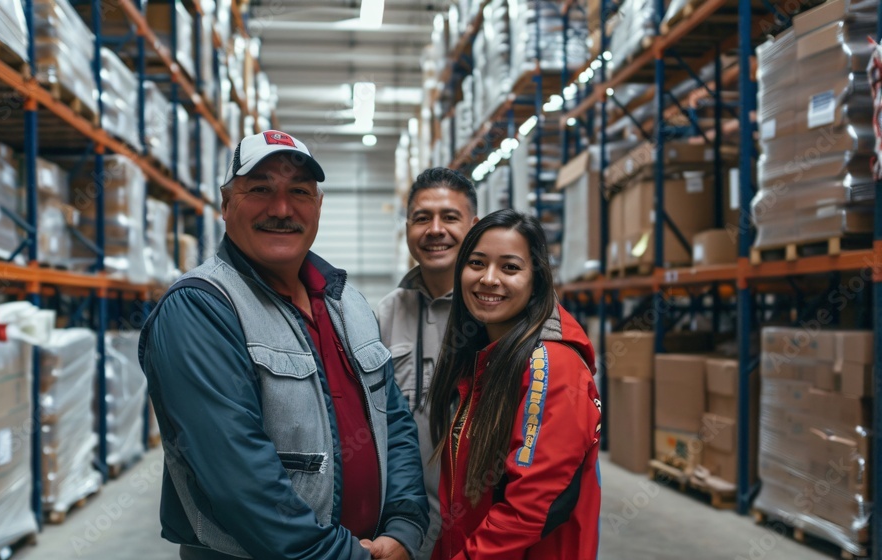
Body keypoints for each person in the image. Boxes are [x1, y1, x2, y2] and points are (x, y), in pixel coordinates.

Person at [138, 130, 429, 560]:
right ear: (225, 205)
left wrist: (404, 525)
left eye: (299, 191)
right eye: (260, 189)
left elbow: (395, 423)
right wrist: (341, 554)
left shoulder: (346, 301)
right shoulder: (200, 308)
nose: (281, 209)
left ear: (318, 206)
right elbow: (236, 475)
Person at [428, 209, 602, 560]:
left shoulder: (551, 365)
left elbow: (530, 508)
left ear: (536, 279)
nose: (489, 279)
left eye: (510, 267)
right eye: (477, 263)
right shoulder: (485, 359)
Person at [375, 168, 479, 559]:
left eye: (450, 217)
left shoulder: (500, 310)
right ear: (407, 228)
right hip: (410, 530)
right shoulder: (387, 314)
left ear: (475, 225)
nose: (436, 230)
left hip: (486, 531)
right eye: (422, 218)